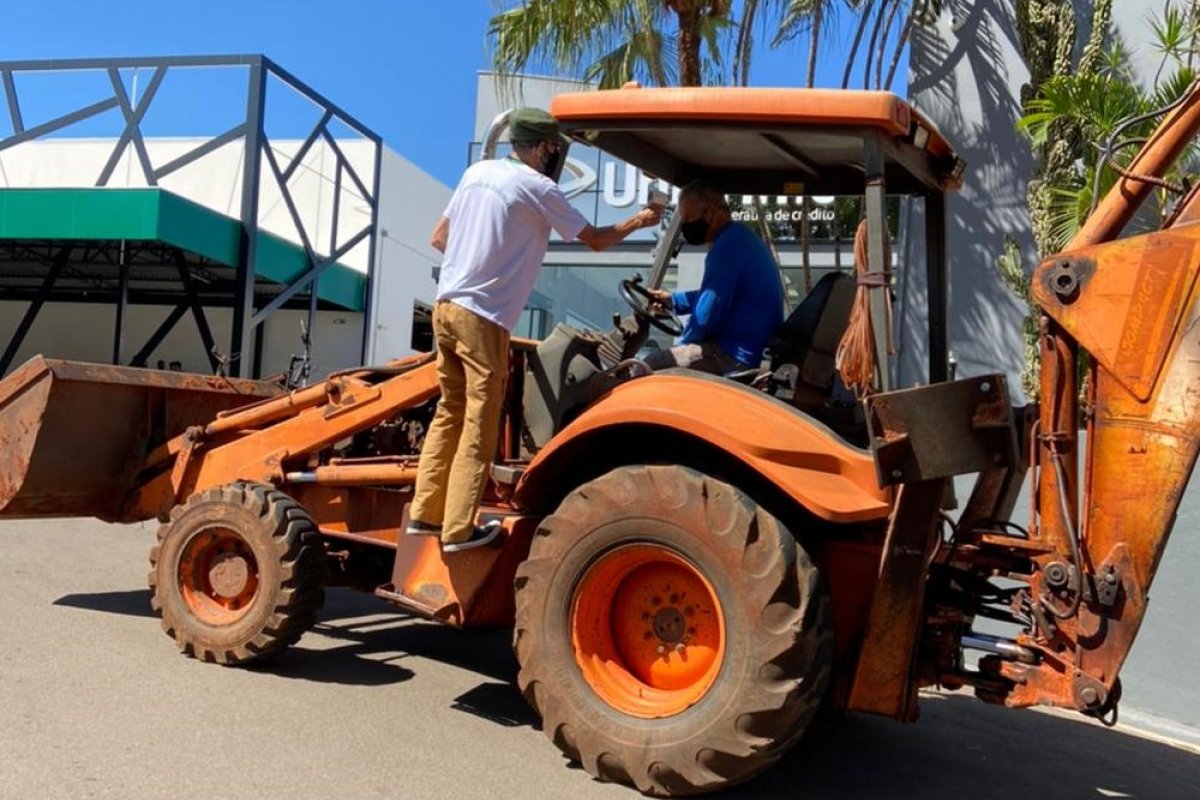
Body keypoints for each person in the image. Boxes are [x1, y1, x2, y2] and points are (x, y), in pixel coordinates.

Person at [407, 107, 662, 553]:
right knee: (480, 421)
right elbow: (597, 240)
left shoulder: (477, 173)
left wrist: (486, 248)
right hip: (482, 317)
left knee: (450, 411)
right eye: (555, 150)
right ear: (544, 148)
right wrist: (640, 220)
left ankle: (425, 515)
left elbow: (439, 238)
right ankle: (458, 530)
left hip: (445, 308)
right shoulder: (537, 186)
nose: (556, 158)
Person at [645, 180, 784, 375]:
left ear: (711, 212)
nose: (685, 226)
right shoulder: (740, 238)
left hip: (735, 356)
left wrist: (681, 347)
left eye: (688, 218)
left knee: (648, 366)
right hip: (755, 351)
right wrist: (673, 301)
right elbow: (715, 294)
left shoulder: (726, 248)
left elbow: (706, 313)